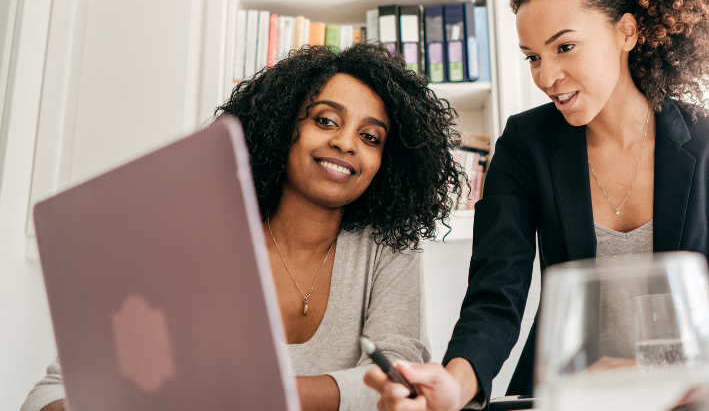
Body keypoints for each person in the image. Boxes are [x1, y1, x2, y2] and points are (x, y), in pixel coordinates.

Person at [364, 0, 709, 410]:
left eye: (564, 47)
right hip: (561, 395)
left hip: (682, 396)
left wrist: (658, 363)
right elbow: (496, 296)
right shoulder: (524, 144)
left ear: (626, 32)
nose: (546, 76)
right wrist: (457, 382)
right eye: (533, 56)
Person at [22, 43, 463, 411]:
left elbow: (399, 374)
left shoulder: (388, 247)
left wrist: (254, 395)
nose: (346, 142)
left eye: (371, 137)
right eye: (325, 120)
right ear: (282, 127)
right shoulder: (192, 236)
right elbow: (56, 391)